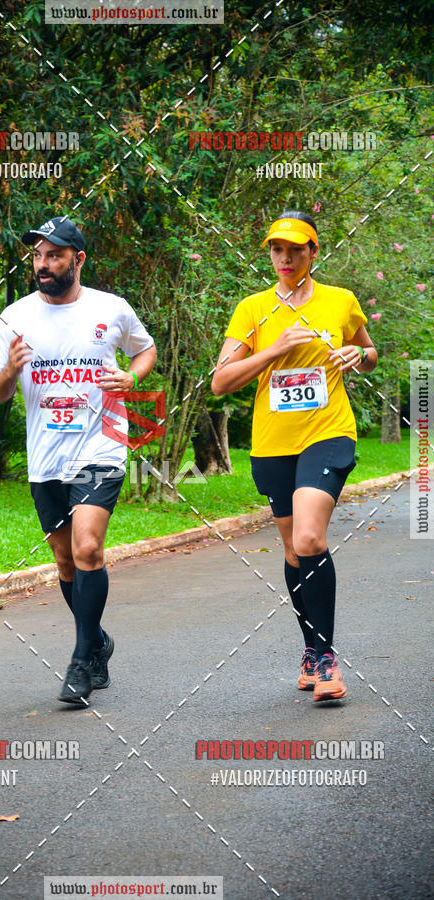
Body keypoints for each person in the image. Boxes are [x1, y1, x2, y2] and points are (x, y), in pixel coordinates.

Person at [0, 216, 157, 704]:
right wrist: (11, 370)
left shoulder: (111, 308)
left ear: (77, 260)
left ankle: (82, 662)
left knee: (87, 549)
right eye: (38, 256)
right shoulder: (13, 318)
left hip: (100, 444)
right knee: (64, 560)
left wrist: (131, 377)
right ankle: (99, 640)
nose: (43, 264)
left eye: (54, 255)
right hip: (46, 458)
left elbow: (145, 351)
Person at [211, 210, 377, 702]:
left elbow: (369, 351)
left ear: (313, 252)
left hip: (328, 432)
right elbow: (222, 380)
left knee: (309, 535)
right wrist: (273, 350)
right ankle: (310, 649)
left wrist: (358, 357)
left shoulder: (340, 302)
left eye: (295, 249)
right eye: (277, 249)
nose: (285, 258)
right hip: (272, 442)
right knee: (291, 550)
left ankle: (326, 660)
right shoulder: (253, 309)